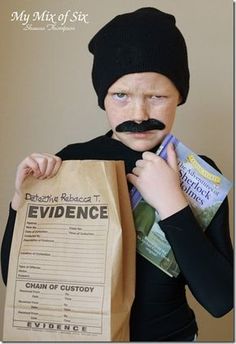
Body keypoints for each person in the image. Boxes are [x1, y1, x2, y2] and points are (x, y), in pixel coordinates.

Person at [1, 7, 233, 341]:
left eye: (156, 96)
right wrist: (22, 201)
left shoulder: (200, 173)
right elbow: (16, 278)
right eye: (121, 95)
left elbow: (220, 299)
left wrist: (173, 204)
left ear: (179, 96)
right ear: (103, 97)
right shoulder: (72, 162)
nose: (139, 114)